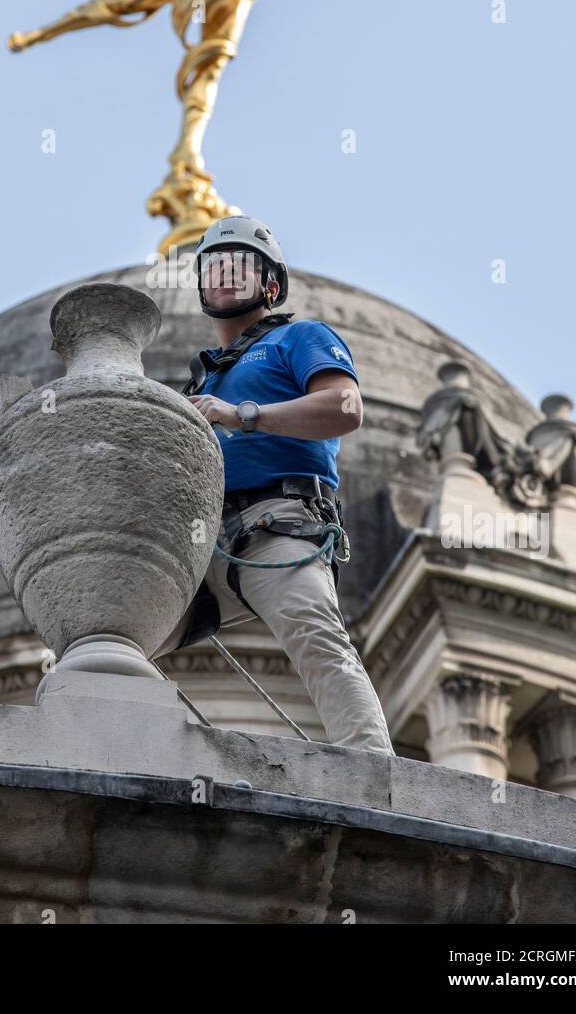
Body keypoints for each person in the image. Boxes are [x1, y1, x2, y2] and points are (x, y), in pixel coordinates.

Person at [153, 216, 395, 755]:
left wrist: (241, 415)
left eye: (239, 264)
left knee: (317, 636)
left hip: (278, 524)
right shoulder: (203, 380)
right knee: (118, 634)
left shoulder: (300, 337)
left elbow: (344, 406)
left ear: (270, 284)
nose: (224, 274)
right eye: (213, 266)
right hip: (204, 543)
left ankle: (375, 774)